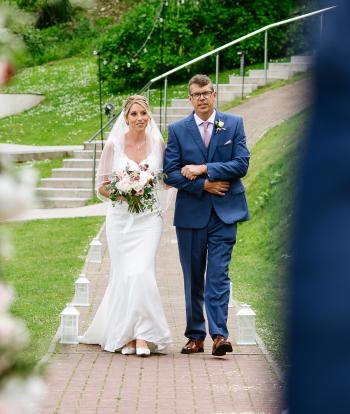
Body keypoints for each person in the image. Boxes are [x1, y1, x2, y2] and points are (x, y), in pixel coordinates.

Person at [163, 74, 250, 356]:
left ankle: (219, 336)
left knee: (218, 276)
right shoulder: (177, 130)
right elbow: (172, 172)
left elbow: (241, 163)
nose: (202, 98)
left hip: (226, 212)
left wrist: (204, 168)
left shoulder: (233, 124)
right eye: (196, 94)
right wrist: (203, 185)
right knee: (193, 278)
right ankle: (195, 335)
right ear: (190, 99)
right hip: (191, 214)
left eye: (206, 93)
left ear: (215, 95)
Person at [80, 95, 172, 357]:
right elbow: (101, 187)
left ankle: (144, 334)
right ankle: (128, 335)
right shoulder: (113, 145)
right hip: (120, 220)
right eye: (134, 114)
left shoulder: (158, 143)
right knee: (124, 275)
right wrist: (125, 191)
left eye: (144, 113)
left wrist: (176, 178)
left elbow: (166, 179)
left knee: (142, 272)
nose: (140, 118)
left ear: (149, 116)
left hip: (148, 219)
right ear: (126, 117)